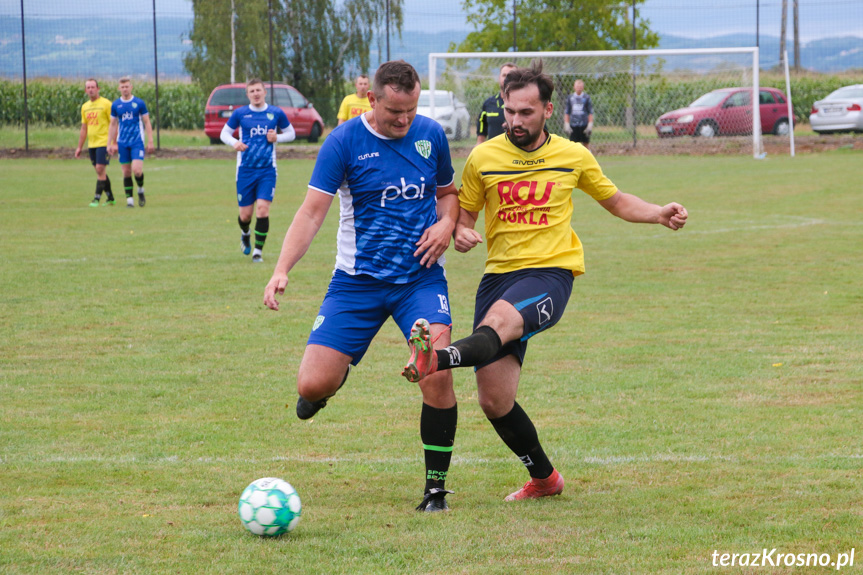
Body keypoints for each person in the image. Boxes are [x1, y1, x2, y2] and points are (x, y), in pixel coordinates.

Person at [402, 61, 688, 502]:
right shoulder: (484, 157)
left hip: (550, 274)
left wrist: (658, 212)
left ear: (548, 109)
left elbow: (615, 201)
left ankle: (434, 361)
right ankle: (545, 480)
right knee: (494, 400)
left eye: (526, 112)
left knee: (496, 324)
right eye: (510, 111)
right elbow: (464, 216)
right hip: (498, 276)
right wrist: (459, 231)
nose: (515, 120)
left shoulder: (573, 155)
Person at [263, 60, 460, 512]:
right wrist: (281, 268)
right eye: (395, 112)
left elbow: (448, 193)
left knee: (437, 371)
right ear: (372, 100)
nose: (404, 120)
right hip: (356, 283)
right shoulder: (344, 141)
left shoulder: (432, 135)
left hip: (420, 278)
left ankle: (435, 490)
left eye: (411, 110)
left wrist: (447, 223)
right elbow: (312, 211)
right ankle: (335, 376)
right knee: (311, 385)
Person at [221, 78, 295, 263]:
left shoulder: (275, 113)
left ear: (264, 92)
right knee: (245, 215)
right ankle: (245, 233)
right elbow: (224, 133)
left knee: (262, 210)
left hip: (267, 170)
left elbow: (291, 133)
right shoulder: (240, 114)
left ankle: (258, 252)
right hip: (245, 170)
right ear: (247, 94)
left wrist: (276, 137)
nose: (255, 94)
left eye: (258, 90)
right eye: (252, 91)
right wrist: (235, 142)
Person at [107, 77, 155, 208]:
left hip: (137, 142)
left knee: (137, 170)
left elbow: (147, 122)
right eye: (122, 87)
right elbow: (112, 125)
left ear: (131, 87)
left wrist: (150, 140)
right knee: (126, 172)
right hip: (122, 143)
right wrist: (109, 143)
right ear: (119, 88)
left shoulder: (139, 103)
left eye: (127, 86)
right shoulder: (116, 105)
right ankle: (130, 201)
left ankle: (140, 189)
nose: (125, 89)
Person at [75, 78, 116, 207]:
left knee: (100, 169)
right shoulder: (85, 107)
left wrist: (114, 143)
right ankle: (110, 198)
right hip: (92, 144)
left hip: (104, 143)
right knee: (100, 172)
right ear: (85, 90)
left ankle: (96, 199)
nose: (91, 89)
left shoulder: (106, 104)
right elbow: (84, 128)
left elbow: (114, 124)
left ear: (98, 89)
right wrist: (79, 147)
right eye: (88, 87)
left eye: (93, 87)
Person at [475, 62, 517, 145]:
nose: (507, 79)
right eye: (504, 75)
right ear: (499, 78)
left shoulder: (527, 104)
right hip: (494, 154)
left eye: (511, 76)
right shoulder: (488, 103)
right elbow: (481, 132)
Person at [563, 79, 594, 149]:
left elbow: (590, 112)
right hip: (574, 124)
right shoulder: (570, 98)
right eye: (577, 86)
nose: (579, 88)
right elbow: (567, 112)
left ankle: (587, 157)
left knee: (586, 143)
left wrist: (590, 125)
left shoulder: (586, 98)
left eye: (580, 86)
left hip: (584, 124)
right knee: (573, 145)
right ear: (574, 87)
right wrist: (566, 124)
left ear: (583, 87)